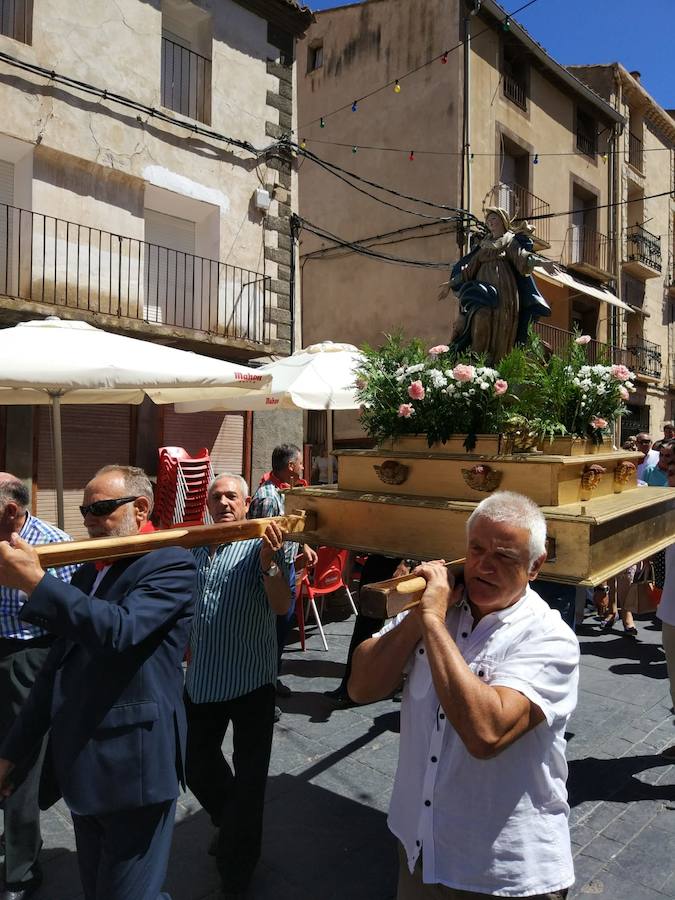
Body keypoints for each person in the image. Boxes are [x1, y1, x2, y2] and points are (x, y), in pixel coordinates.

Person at [349, 491, 579, 899]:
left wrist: (433, 622)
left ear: (535, 566)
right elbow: (361, 686)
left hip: (503, 871)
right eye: (476, 549)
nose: (483, 565)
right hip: (419, 848)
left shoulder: (550, 637)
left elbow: (486, 733)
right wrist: (416, 620)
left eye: (505, 556)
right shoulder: (437, 607)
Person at [0, 465, 196, 900]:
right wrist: (11, 754)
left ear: (140, 508)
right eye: (85, 509)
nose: (88, 519)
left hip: (136, 769)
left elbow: (118, 631)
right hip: (86, 770)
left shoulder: (171, 563)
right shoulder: (90, 570)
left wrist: (35, 582)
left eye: (101, 508)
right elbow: (54, 671)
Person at [185, 473, 292, 899]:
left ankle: (237, 869)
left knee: (250, 779)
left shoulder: (264, 544)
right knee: (196, 766)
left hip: (252, 680)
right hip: (203, 679)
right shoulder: (195, 545)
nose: (224, 502)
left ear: (247, 502)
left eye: (232, 496)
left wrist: (270, 564)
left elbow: (282, 604)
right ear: (207, 503)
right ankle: (231, 823)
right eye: (217, 496)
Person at [0, 474, 78, 900]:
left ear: (12, 512)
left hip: (31, 654)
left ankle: (21, 868)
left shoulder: (55, 546)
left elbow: (73, 615)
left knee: (22, 763)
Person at [248, 444, 317, 704]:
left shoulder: (285, 492)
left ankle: (270, 680)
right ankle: (263, 689)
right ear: (290, 467)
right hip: (272, 574)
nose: (302, 467)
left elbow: (287, 530)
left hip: (285, 570)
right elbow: (262, 546)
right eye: (299, 463)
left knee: (279, 632)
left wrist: (304, 546)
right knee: (270, 632)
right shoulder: (268, 498)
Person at [443, 207, 554, 363]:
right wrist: (450, 283)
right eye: (488, 219)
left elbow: (522, 258)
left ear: (503, 220)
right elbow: (469, 270)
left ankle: (498, 363)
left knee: (502, 326)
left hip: (505, 293)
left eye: (493, 218)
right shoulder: (483, 246)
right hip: (481, 294)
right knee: (480, 317)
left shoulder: (509, 241)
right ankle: (477, 360)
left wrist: (542, 263)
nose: (490, 221)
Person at [324, 555, 409, 706]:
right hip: (379, 559)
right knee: (364, 625)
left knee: (405, 625)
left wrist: (407, 562)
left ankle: (403, 681)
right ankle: (350, 686)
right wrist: (349, 561)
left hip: (405, 563)